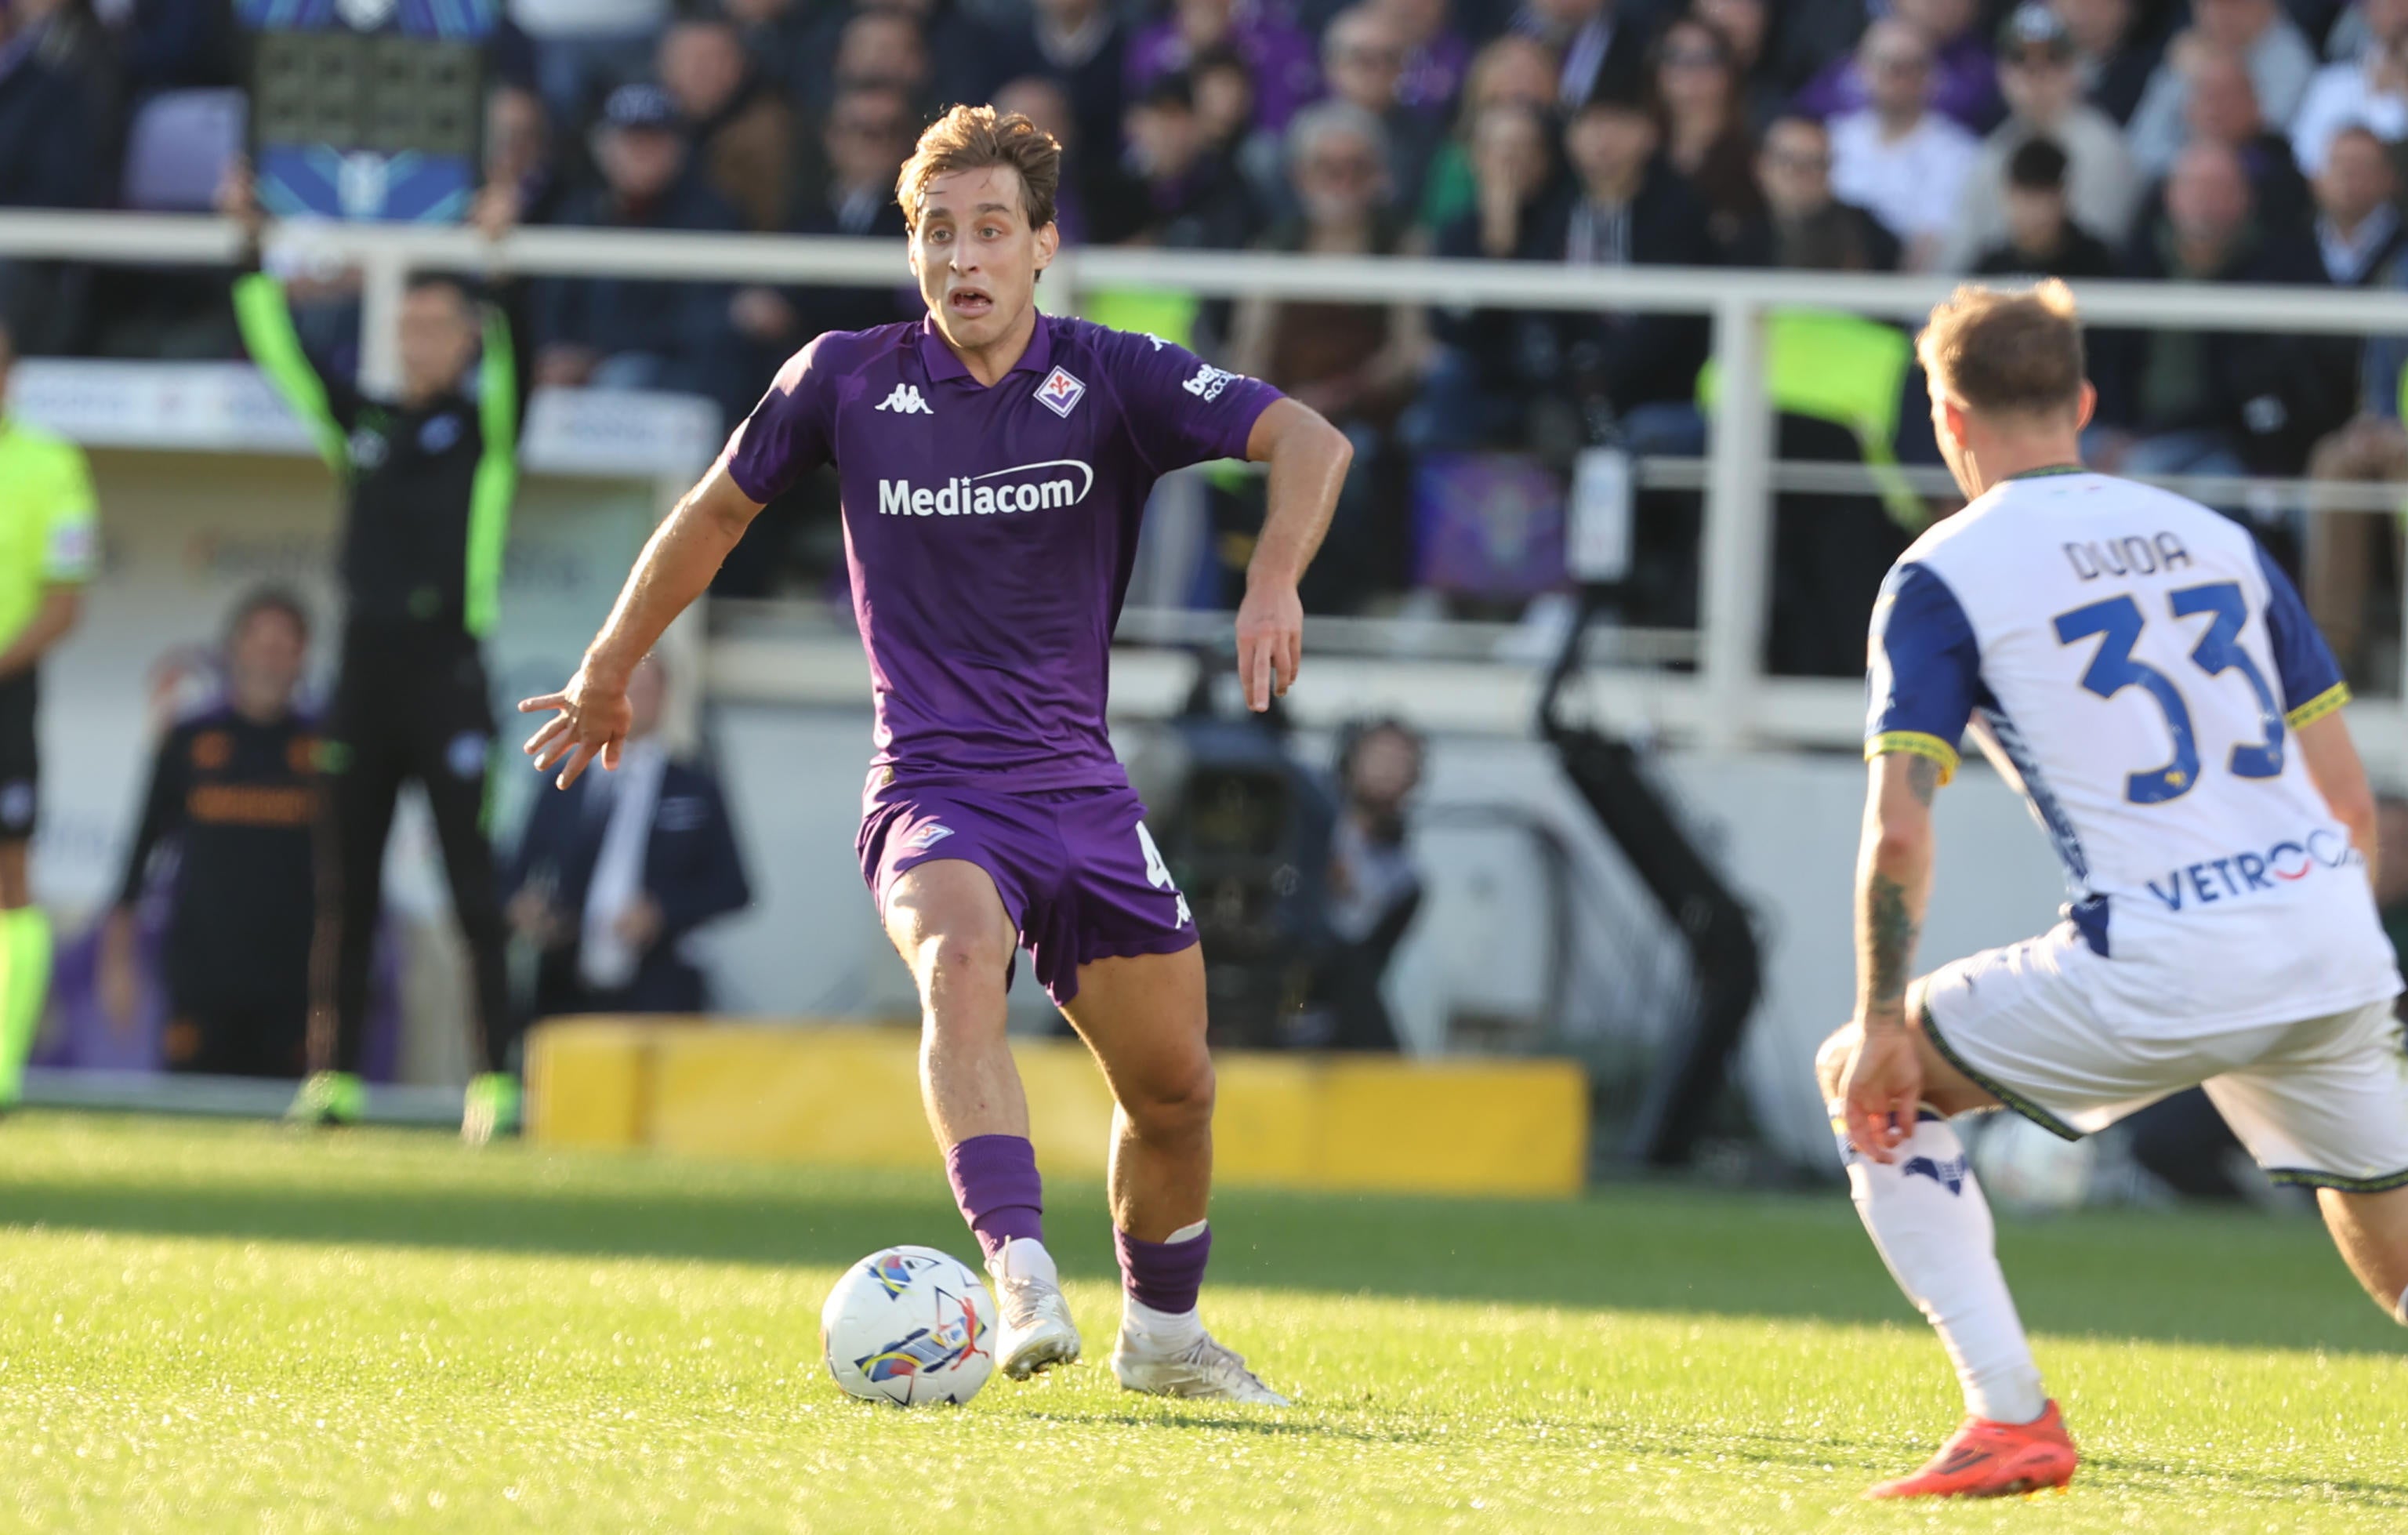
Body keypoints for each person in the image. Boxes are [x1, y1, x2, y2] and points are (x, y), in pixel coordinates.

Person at [518, 104, 1351, 1400]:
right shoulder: (845, 379)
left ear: (1041, 247)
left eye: (989, 230)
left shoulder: (1112, 375)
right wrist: (610, 663)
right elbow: (716, 510)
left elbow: (1310, 438)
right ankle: (1016, 1267)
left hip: (1079, 791)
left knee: (1176, 1089)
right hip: (931, 787)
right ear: (911, 250)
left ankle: (1165, 1336)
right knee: (961, 961)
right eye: (935, 231)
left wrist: (1273, 582)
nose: (963, 257)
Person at [1827, 278, 2408, 1499]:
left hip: (2164, 951)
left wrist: (1887, 1018)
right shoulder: (2220, 538)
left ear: (1947, 415)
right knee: (2396, 1250)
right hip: (2324, 931)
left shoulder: (1939, 573)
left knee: (1867, 1080)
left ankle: (2010, 1415)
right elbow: (2351, 803)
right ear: (2084, 403)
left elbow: (1897, 830)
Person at [222, 168, 526, 1141]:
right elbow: (282, 356)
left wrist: (496, 257)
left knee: (473, 888)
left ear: (467, 338)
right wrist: (248, 251)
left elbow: (520, 355)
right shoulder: (363, 427)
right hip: (362, 676)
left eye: (438, 326)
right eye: (409, 326)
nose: (419, 340)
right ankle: (334, 1076)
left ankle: (497, 1082)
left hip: (447, 674)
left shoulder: (483, 432)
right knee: (343, 885)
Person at [101, 590, 317, 1078]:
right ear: (234, 650)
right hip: (201, 971)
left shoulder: (324, 746)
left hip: (295, 977)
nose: (270, 658)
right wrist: (116, 963)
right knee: (193, 1114)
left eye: (284, 646)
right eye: (259, 644)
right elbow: (140, 850)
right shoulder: (190, 737)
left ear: (302, 657)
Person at [502, 658, 750, 1022]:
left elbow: (733, 887)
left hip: (658, 995)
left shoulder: (693, 789)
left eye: (643, 691)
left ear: (664, 698)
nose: (631, 702)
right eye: (622, 691)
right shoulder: (566, 782)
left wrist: (662, 911)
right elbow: (513, 872)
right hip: (565, 993)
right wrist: (527, 909)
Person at [0, 315, 94, 1109]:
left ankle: (3, 1065)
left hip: (6, 691)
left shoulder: (50, 464)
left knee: (10, 876)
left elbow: (64, 602)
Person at [531, 84, 744, 403]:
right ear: (601, 148)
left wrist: (597, 355)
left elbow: (705, 320)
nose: (642, 153)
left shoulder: (711, 217)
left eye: (654, 141)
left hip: (675, 379)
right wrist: (558, 352)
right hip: (580, 377)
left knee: (624, 379)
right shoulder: (580, 214)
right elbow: (553, 306)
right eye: (630, 141)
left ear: (679, 149)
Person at [1939, 3, 2139, 273]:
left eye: (2053, 57)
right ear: (2001, 71)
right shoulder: (1994, 149)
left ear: (2077, 66)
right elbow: (1960, 256)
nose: (2035, 72)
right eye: (2020, 58)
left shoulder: (2102, 150)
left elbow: (2096, 261)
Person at [1827, 20, 1982, 270]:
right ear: (1861, 69)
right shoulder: (1833, 140)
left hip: (1914, 301)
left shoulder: (1959, 152)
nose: (1901, 78)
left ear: (1933, 73)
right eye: (1889, 66)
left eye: (1914, 66)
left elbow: (1933, 244)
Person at [2127, 0, 2318, 180]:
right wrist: (2191, 167)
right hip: (2181, 185)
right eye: (2208, 5)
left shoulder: (2291, 60)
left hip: (2256, 181)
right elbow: (2142, 146)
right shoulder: (2190, 51)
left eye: (2231, 4)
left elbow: (2271, 136)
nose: (2217, 15)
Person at [1729, 113, 1902, 271]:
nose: (1802, 174)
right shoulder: (1735, 234)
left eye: (1816, 163)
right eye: (1788, 161)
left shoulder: (1866, 234)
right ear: (1761, 167)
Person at [1971, 136, 2120, 278]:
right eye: (2027, 199)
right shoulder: (1990, 268)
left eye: (2045, 200)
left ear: (2064, 198)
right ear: (2008, 195)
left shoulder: (2098, 264)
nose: (2036, 214)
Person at [2290, 0, 2408, 176]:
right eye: (2389, 5)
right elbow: (2307, 159)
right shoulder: (2332, 86)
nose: (2402, 15)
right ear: (2369, 13)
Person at [2311, 122, 2406, 286]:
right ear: (2317, 178)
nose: (2348, 176)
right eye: (2338, 163)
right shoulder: (2285, 247)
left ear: (2388, 178)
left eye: (2362, 165)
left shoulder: (2402, 243)